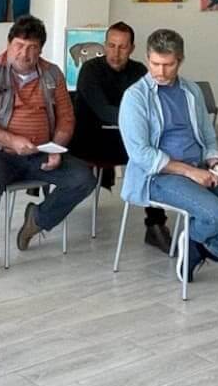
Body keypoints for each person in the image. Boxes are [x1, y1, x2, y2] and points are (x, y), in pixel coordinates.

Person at [119, 29, 218, 280]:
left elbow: (207, 135)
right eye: (154, 63)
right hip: (159, 177)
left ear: (180, 60)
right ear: (148, 58)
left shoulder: (191, 91)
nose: (160, 72)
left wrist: (214, 160)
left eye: (168, 65)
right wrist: (190, 172)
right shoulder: (135, 97)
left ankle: (202, 246)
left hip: (201, 168)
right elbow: (140, 154)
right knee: (216, 215)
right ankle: (197, 242)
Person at [0, 15, 95, 279]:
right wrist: (11, 140)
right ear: (9, 44)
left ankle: (38, 219)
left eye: (32, 47)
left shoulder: (51, 74)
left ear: (40, 50)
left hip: (40, 153)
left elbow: (66, 118)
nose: (24, 53)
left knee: (84, 178)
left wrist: (55, 148)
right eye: (19, 45)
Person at [70, 21, 172, 253]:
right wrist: (139, 121)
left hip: (126, 139)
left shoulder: (139, 72)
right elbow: (104, 111)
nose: (116, 53)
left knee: (155, 154)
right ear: (105, 45)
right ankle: (155, 222)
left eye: (122, 47)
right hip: (91, 141)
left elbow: (155, 107)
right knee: (146, 153)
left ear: (132, 48)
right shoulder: (90, 70)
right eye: (111, 45)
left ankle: (156, 223)